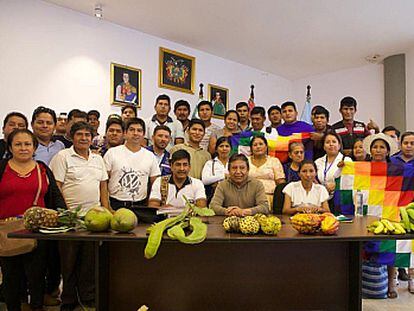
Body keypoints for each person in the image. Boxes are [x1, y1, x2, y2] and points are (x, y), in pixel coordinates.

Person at [0, 129, 65, 311]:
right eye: (18, 144)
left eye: (27, 144)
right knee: (11, 278)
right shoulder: (2, 168)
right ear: (10, 147)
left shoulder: (42, 168)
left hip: (38, 232)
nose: (23, 148)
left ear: (34, 147)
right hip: (8, 232)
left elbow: (55, 196)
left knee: (37, 277)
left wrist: (64, 216)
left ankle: (36, 307)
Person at [50, 121, 109, 310]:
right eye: (79, 135)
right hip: (69, 220)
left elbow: (103, 187)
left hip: (95, 220)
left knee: (89, 262)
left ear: (92, 138)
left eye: (87, 135)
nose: (84, 138)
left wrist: (106, 210)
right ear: (72, 137)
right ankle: (68, 300)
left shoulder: (98, 159)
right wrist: (67, 214)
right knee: (68, 263)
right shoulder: (63, 156)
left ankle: (88, 298)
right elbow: (57, 187)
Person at [362, 133, 400, 299]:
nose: (378, 150)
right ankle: (362, 282)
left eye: (382, 147)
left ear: (388, 151)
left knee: (390, 247)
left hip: (389, 211)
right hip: (367, 211)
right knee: (363, 247)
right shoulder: (361, 168)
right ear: (370, 150)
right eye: (375, 147)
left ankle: (391, 282)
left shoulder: (397, 169)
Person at [104, 118, 160, 209]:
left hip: (140, 205)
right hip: (115, 204)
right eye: (132, 130)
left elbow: (155, 184)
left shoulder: (150, 156)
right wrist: (107, 206)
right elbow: (104, 182)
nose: (135, 133)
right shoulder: (112, 153)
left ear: (143, 135)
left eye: (139, 130)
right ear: (125, 133)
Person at [248, 136, 285, 206]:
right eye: (255, 145)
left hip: (270, 198)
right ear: (251, 148)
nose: (258, 147)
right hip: (248, 197)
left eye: (261, 144)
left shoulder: (274, 161)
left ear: (266, 147)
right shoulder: (245, 161)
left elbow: (281, 183)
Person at [315, 132, 351, 199]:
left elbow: (350, 181)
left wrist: (336, 185)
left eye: (334, 142)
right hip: (321, 198)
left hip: (340, 198)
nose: (331, 144)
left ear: (339, 145)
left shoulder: (346, 160)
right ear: (324, 146)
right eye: (327, 142)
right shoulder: (317, 162)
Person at [202, 136, 231, 203]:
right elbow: (205, 180)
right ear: (216, 149)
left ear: (230, 149)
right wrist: (224, 176)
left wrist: (215, 180)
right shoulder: (210, 163)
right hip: (214, 196)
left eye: (227, 146)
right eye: (221, 146)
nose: (224, 149)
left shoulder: (234, 163)